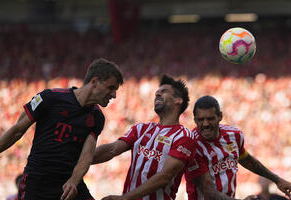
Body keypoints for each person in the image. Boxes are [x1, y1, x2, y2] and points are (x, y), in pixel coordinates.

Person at [0, 58, 124, 200]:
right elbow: (17, 130)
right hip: (37, 185)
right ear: (94, 81)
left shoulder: (97, 117)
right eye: (110, 88)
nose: (114, 95)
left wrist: (73, 181)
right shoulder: (50, 98)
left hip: (67, 185)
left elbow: (86, 157)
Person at [92, 75, 257, 200]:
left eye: (163, 92)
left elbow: (165, 177)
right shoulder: (141, 128)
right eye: (156, 93)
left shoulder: (184, 137)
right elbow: (112, 149)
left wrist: (124, 198)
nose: (157, 95)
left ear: (179, 100)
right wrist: (79, 160)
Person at [185, 95, 291, 200]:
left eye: (210, 119)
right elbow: (209, 193)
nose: (205, 124)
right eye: (200, 120)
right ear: (194, 120)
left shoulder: (234, 135)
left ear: (220, 116)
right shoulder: (192, 145)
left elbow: (246, 159)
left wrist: (277, 180)